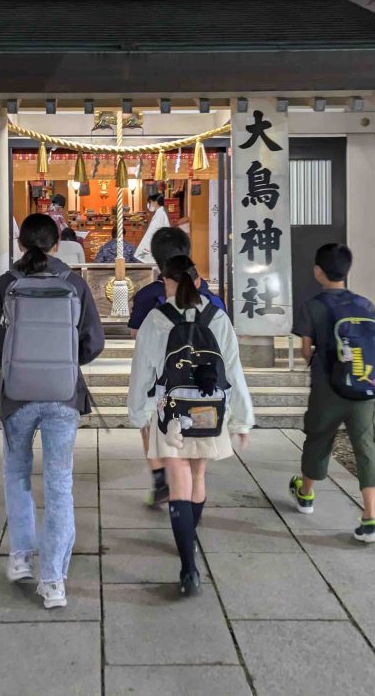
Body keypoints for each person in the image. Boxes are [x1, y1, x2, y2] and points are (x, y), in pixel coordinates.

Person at [0, 213, 105, 608]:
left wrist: (16, 367)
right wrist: (65, 363)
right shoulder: (74, 283)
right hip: (63, 397)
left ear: (21, 245)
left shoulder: (7, 284)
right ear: (56, 246)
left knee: (16, 473)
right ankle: (53, 582)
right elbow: (94, 342)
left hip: (16, 397)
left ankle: (20, 558)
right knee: (59, 485)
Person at [127, 254, 254, 596]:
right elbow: (233, 370)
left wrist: (137, 413)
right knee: (197, 477)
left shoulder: (156, 319)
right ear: (197, 282)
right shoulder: (218, 318)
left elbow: (143, 371)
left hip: (170, 412)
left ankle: (188, 568)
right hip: (210, 412)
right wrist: (242, 419)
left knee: (177, 480)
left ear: (166, 282)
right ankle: (190, 539)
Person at [288, 243, 375, 544]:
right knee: (367, 447)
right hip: (364, 388)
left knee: (318, 438)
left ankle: (306, 494)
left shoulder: (312, 306)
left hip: (327, 388)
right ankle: (371, 518)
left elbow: (306, 350)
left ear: (318, 271)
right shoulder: (365, 304)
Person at [129, 227, 226, 506]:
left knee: (153, 425)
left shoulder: (149, 295)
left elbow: (137, 335)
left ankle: (161, 478)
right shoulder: (208, 294)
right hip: (205, 383)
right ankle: (195, 487)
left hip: (162, 382)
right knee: (196, 442)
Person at [134, 192, 170, 263]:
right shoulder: (160, 212)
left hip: (158, 244)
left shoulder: (160, 214)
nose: (149, 205)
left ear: (155, 202)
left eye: (150, 202)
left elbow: (151, 232)